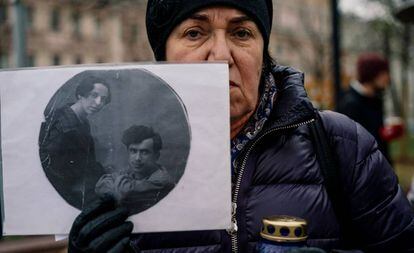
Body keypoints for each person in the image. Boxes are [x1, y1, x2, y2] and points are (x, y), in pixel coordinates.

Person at [67, 1, 414, 253]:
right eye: (194, 33)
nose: (220, 54)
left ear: (263, 50)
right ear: (164, 57)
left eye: (241, 32)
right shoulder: (118, 168)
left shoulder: (343, 145)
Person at [39, 75, 111, 210]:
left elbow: (85, 161)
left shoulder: (83, 122)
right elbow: (49, 166)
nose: (98, 103)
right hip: (60, 196)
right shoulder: (63, 123)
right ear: (80, 95)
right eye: (93, 95)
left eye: (103, 99)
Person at [95, 125, 174, 214]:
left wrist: (116, 189)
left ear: (156, 156)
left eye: (144, 152)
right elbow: (100, 186)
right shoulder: (129, 172)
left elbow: (126, 192)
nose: (137, 158)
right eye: (133, 151)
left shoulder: (162, 181)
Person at [336, 53, 392, 161]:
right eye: (383, 73)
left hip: (380, 168)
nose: (387, 78)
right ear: (371, 74)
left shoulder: (375, 100)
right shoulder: (350, 104)